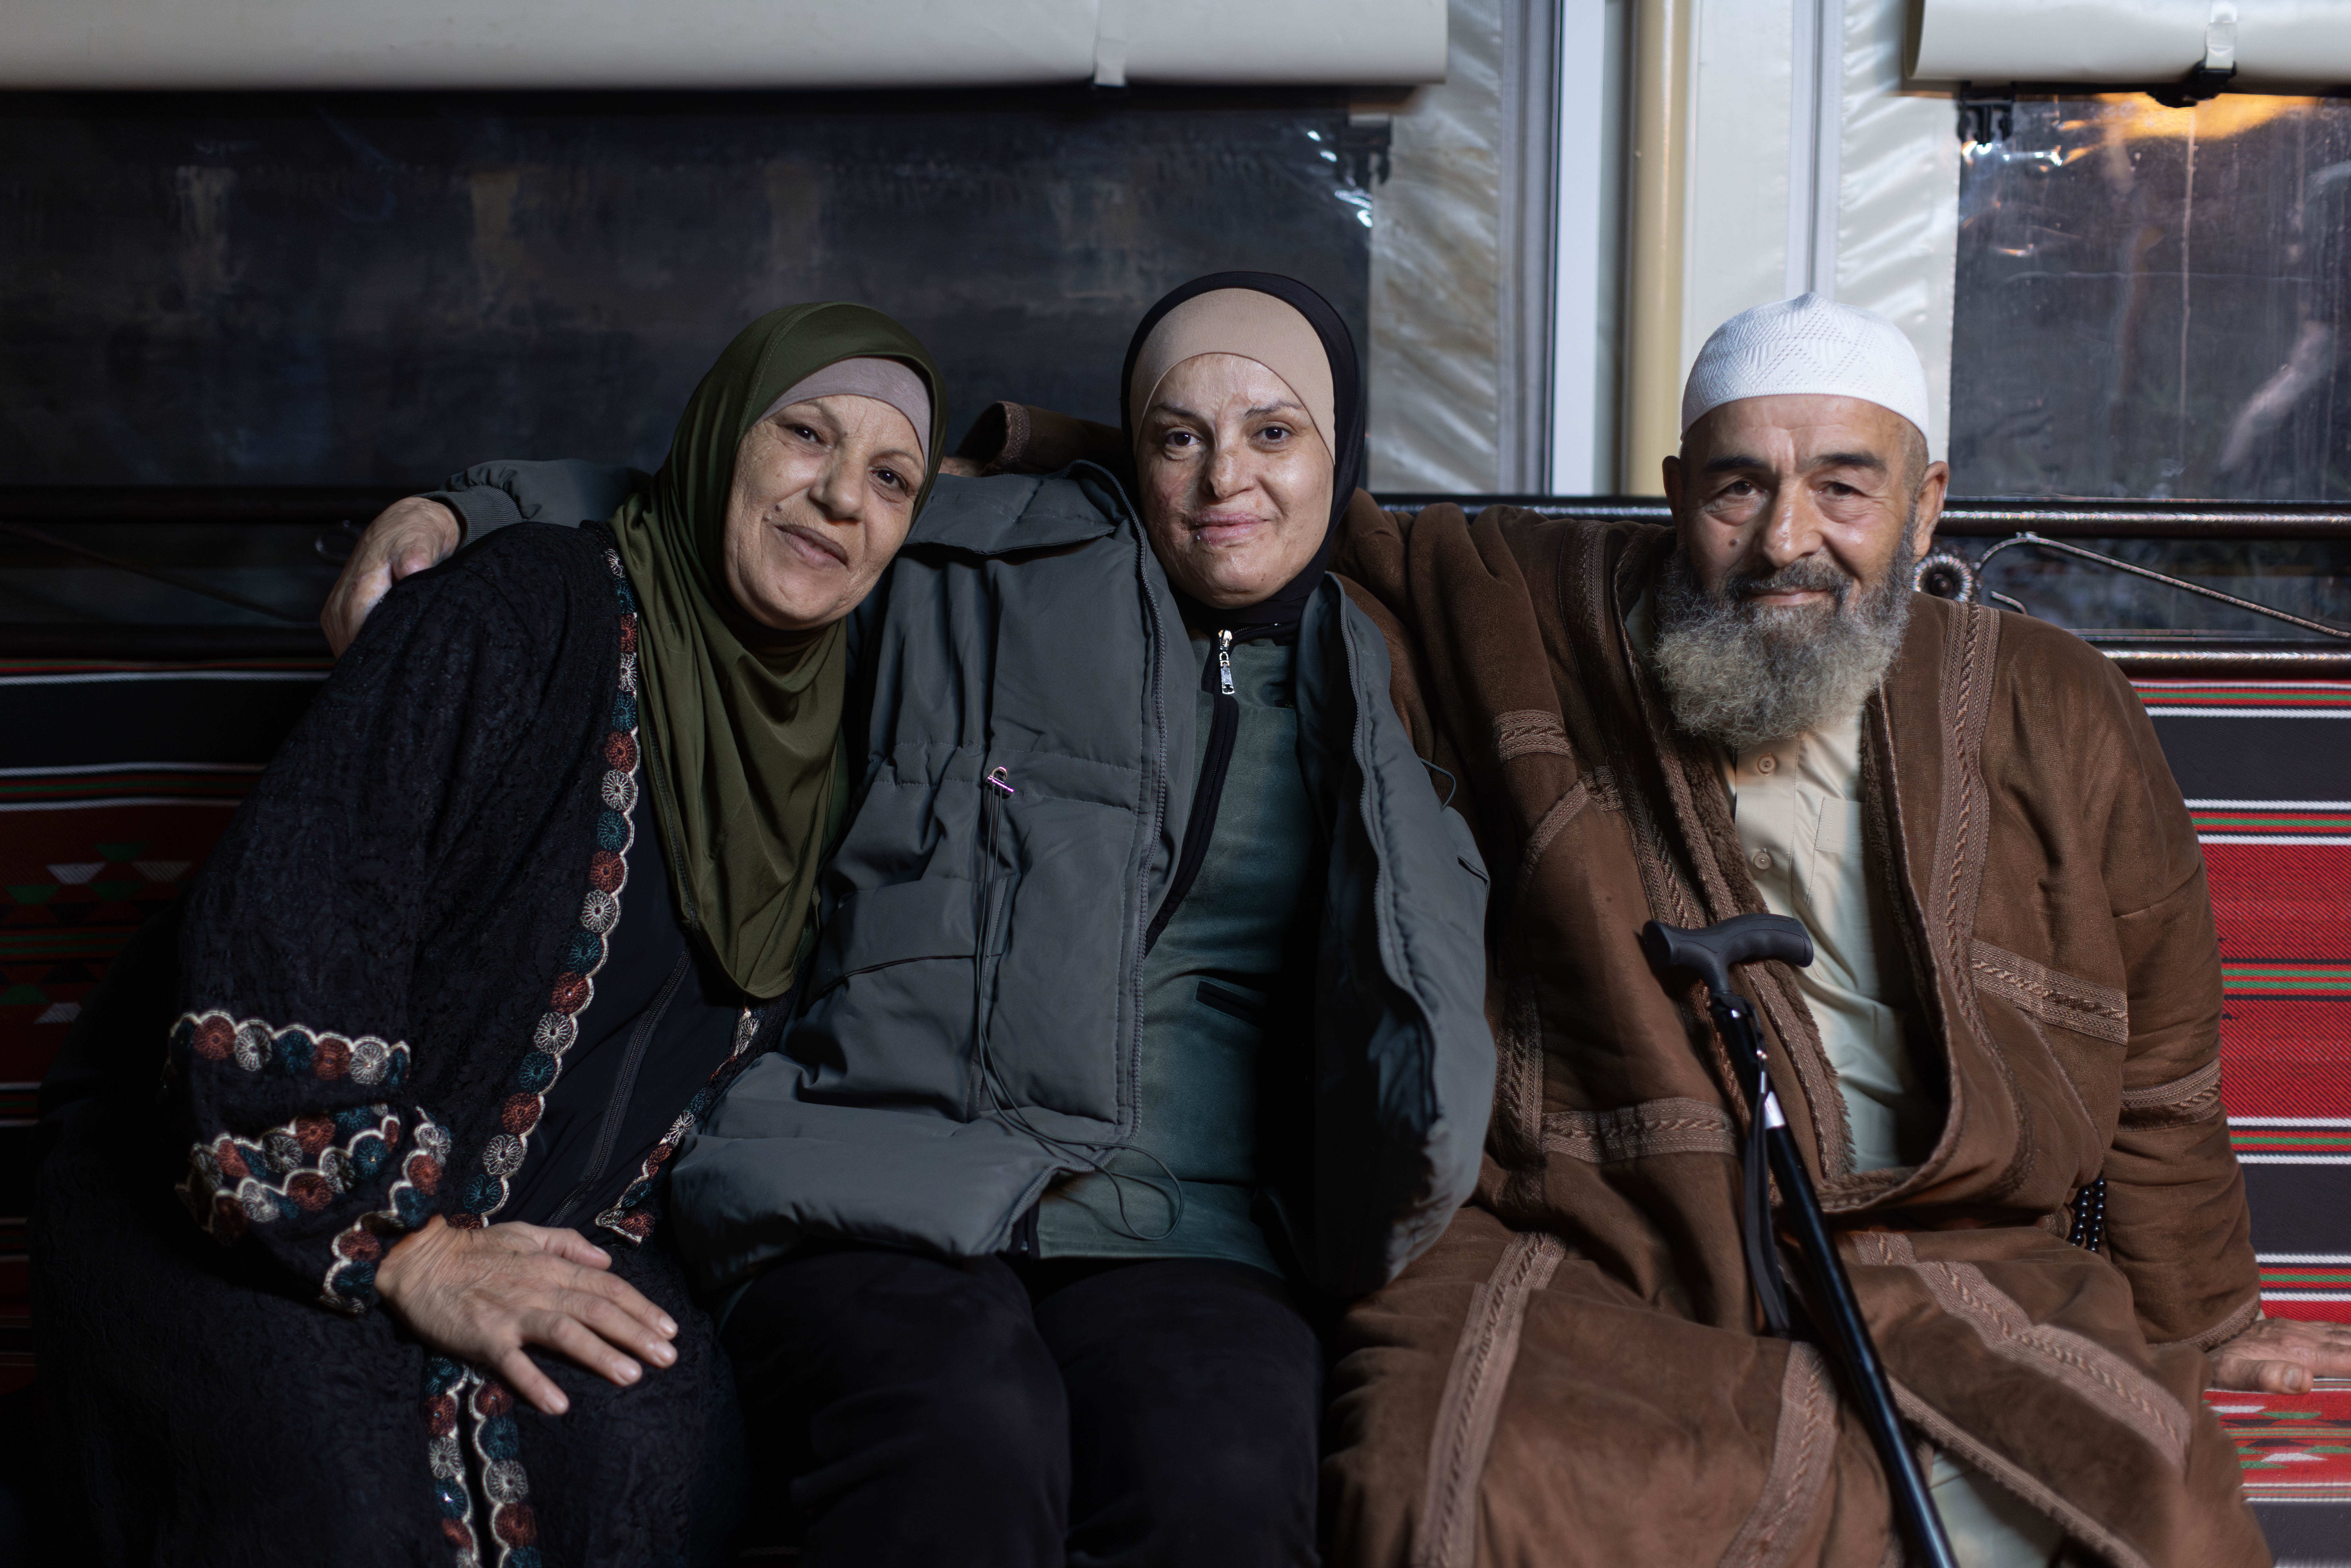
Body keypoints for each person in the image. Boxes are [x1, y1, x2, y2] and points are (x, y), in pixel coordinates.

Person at [325, 272, 1495, 1566]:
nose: (1226, 475)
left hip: (1185, 1225)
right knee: (962, 1440)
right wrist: (471, 506)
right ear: (1134, 448)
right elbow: (727, 507)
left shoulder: (1361, 678)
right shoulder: (971, 556)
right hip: (871, 1172)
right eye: (1179, 434)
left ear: (1342, 457)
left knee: (1218, 1474)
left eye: (1275, 433)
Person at [1315, 294, 2351, 1567]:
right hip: (1612, 1230)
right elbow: (1264, 500)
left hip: (1948, 1248)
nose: (1783, 540)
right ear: (1673, 490)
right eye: (1737, 488)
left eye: (1843, 490)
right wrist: (1030, 456)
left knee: (2106, 1486)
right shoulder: (1534, 627)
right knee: (1457, 1479)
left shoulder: (2051, 704)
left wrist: (2205, 1317)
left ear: (1925, 505)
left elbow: (2160, 1069)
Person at [32, 301, 948, 1565]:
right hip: (235, 1175)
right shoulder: (520, 607)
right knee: (340, 1516)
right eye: (804, 434)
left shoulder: (842, 735)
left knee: (653, 1472)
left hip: (533, 1231)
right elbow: (288, 923)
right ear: (723, 438)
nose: (841, 498)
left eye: (889, 477)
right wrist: (410, 1249)